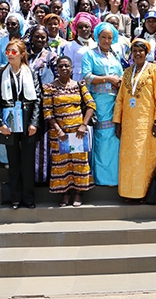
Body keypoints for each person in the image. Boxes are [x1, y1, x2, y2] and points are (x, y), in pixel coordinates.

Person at [113, 39, 156, 202]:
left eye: (140, 51)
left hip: (147, 123)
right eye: (134, 51)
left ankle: (145, 193)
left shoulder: (154, 70)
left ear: (146, 53)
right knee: (129, 158)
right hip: (129, 124)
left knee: (144, 158)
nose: (137, 54)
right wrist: (118, 121)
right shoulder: (127, 72)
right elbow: (121, 98)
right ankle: (128, 193)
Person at [0, 39, 42, 209]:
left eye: (13, 52)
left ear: (22, 54)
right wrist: (0, 123)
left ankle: (28, 198)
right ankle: (15, 197)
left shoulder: (32, 73)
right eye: (7, 52)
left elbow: (38, 100)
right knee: (13, 161)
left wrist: (34, 122)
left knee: (27, 161)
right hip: (9, 120)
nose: (10, 55)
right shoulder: (2, 73)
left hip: (28, 119)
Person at [43, 56, 96, 207]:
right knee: (62, 164)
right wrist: (58, 130)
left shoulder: (79, 86)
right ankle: (65, 193)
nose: (64, 69)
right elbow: (47, 112)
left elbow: (91, 105)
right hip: (60, 135)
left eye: (67, 66)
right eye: (61, 66)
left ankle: (78, 193)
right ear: (57, 69)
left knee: (79, 162)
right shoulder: (49, 88)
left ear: (72, 68)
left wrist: (83, 125)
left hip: (78, 133)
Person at [82, 22, 124, 186]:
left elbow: (120, 75)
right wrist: (107, 79)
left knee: (114, 139)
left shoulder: (115, 56)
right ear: (97, 37)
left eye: (109, 38)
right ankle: (100, 177)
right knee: (101, 139)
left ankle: (114, 178)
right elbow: (86, 76)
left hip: (114, 102)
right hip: (99, 101)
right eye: (103, 37)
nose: (106, 41)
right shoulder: (90, 55)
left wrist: (118, 81)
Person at [28, 25, 58, 184]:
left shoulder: (51, 56)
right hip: (29, 104)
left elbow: (58, 77)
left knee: (46, 141)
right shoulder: (26, 56)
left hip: (46, 102)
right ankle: (34, 176)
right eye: (37, 37)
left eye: (43, 37)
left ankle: (46, 177)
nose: (39, 40)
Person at [63, 12, 98, 80]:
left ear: (91, 28)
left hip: (94, 79)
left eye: (86, 26)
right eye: (80, 27)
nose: (84, 29)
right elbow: (68, 66)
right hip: (77, 79)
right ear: (76, 29)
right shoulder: (70, 45)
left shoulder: (96, 45)